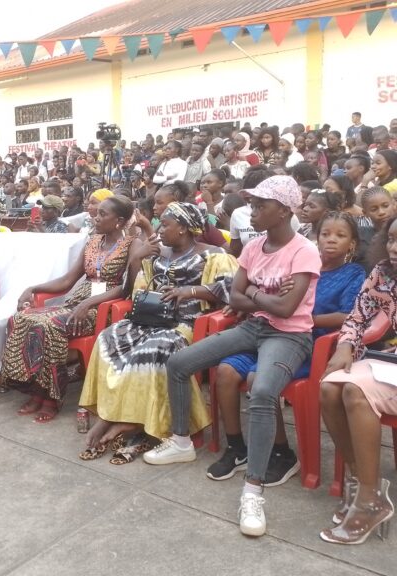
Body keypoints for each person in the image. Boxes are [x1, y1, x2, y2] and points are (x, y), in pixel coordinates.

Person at [148, 176, 320, 538]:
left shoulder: (304, 250)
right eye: (252, 205)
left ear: (284, 210)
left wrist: (253, 293)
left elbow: (288, 309)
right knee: (179, 362)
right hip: (255, 326)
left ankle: (253, 490)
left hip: (290, 336)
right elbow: (234, 296)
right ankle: (182, 442)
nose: (252, 212)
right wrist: (261, 295)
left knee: (261, 392)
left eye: (260, 206)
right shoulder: (255, 247)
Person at [210, 212, 364, 485]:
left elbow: (347, 316)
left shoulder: (353, 273)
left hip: (310, 344)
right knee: (225, 370)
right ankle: (236, 448)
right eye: (325, 234)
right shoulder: (300, 260)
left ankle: (282, 453)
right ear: (315, 237)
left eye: (340, 236)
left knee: (259, 379)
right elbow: (260, 286)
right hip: (268, 330)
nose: (331, 241)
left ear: (352, 244)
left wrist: (301, 318)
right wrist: (246, 302)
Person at [78, 202, 237, 463]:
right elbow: (135, 289)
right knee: (108, 339)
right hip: (149, 319)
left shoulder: (213, 255)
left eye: (165, 224)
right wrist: (138, 258)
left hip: (184, 323)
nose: (159, 229)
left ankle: (131, 423)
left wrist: (191, 291)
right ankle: (114, 416)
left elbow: (230, 289)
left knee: (151, 352)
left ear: (184, 228)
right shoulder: (158, 253)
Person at [1, 196, 137, 423]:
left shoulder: (132, 244)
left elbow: (125, 289)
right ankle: (36, 390)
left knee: (50, 326)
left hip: (102, 308)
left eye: (103, 214)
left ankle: (52, 397)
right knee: (20, 318)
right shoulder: (93, 241)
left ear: (119, 221)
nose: (96, 217)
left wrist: (88, 304)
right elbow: (67, 280)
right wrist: (33, 287)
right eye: (97, 212)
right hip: (76, 303)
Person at [319, 215, 397, 544]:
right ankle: (358, 477)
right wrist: (346, 344)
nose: (393, 247)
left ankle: (369, 499)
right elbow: (356, 316)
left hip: (386, 367)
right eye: (391, 239)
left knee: (353, 390)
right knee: (329, 386)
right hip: (380, 363)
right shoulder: (382, 272)